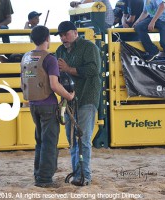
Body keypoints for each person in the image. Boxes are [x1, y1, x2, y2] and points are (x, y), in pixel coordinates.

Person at [21, 25, 74, 188]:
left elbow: (22, 82)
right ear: (47, 39)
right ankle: (44, 178)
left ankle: (39, 174)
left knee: (40, 141)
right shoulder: (49, 58)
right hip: (48, 105)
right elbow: (54, 85)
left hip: (33, 104)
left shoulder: (26, 57)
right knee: (50, 142)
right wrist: (69, 96)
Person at [55, 21, 101, 186]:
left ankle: (84, 175)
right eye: (61, 35)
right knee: (73, 140)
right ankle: (78, 174)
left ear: (75, 33)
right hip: (70, 99)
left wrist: (67, 69)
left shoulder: (89, 47)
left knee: (82, 138)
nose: (63, 38)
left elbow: (93, 70)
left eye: (65, 34)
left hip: (87, 96)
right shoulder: (60, 50)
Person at [133, 0, 165, 67]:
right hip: (152, 18)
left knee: (163, 42)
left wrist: (152, 22)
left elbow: (162, 6)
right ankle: (152, 50)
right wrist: (137, 22)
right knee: (138, 27)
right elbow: (145, 12)